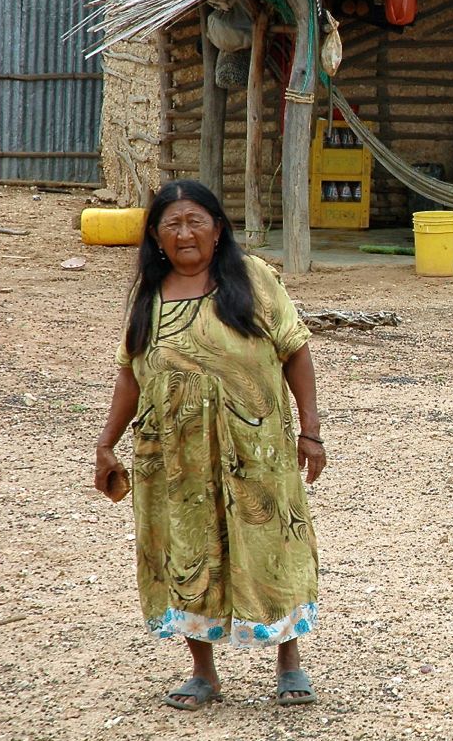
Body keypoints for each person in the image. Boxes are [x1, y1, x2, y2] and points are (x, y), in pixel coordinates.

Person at [93, 179, 326, 710]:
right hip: (173, 457)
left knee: (270, 546)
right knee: (187, 551)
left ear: (219, 229)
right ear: (154, 236)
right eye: (171, 224)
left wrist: (310, 432)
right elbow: (130, 374)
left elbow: (296, 352)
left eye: (196, 220)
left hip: (255, 449)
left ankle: (289, 661)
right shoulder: (148, 297)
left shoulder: (255, 281)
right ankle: (202, 672)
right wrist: (106, 443)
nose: (184, 232)